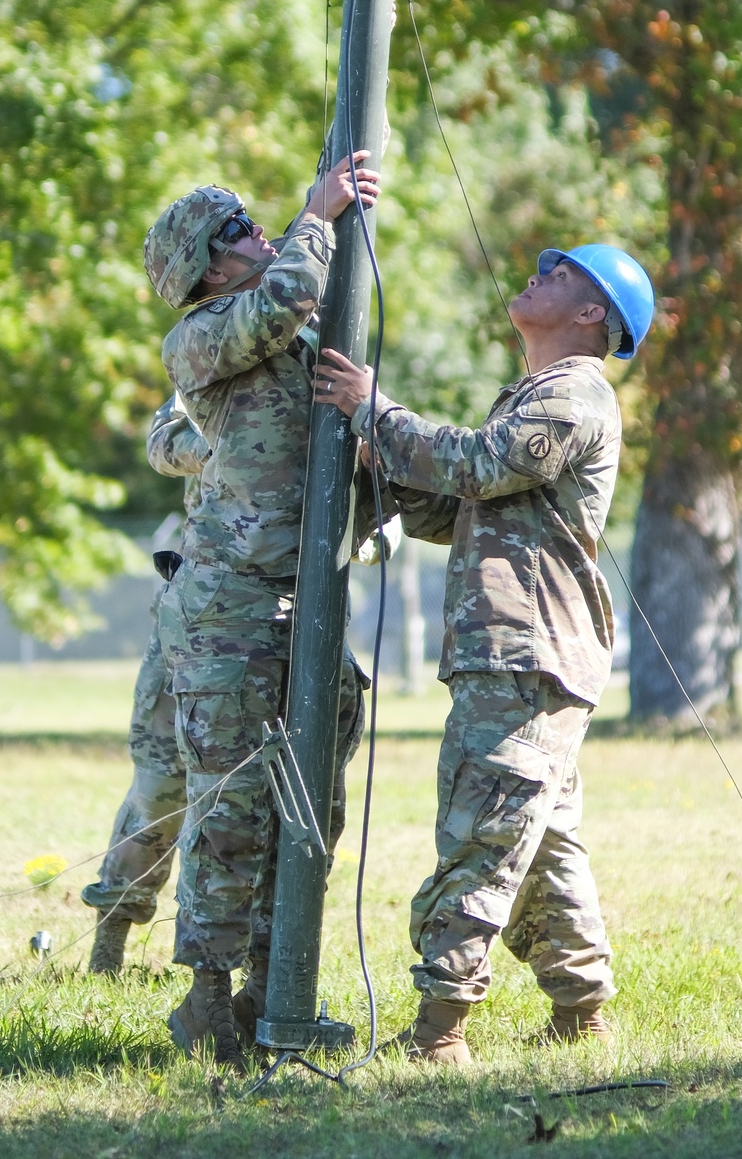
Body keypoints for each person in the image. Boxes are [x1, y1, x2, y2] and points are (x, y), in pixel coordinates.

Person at [315, 243, 654, 1065]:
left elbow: (481, 464)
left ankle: (440, 1035)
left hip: (527, 656)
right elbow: (461, 505)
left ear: (591, 316)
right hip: (523, 654)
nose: (537, 274)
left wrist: (375, 412)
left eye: (561, 273)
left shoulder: (575, 392)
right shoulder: (539, 392)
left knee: (480, 835)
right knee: (539, 840)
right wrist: (378, 462)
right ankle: (582, 1015)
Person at [142, 151, 383, 1070]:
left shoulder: (291, 329)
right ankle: (205, 1000)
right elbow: (279, 300)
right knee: (233, 805)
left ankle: (269, 990)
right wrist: (319, 215)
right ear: (207, 265)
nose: (262, 231)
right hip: (230, 612)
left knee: (309, 805)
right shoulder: (203, 335)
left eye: (258, 223)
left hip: (303, 602)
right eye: (239, 228)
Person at [82, 394, 209, 974]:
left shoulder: (342, 371)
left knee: (263, 797)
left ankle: (237, 971)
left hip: (289, 623)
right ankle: (111, 941)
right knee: (161, 785)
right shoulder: (218, 352)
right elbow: (163, 444)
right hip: (194, 617)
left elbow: (379, 526)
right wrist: (239, 445)